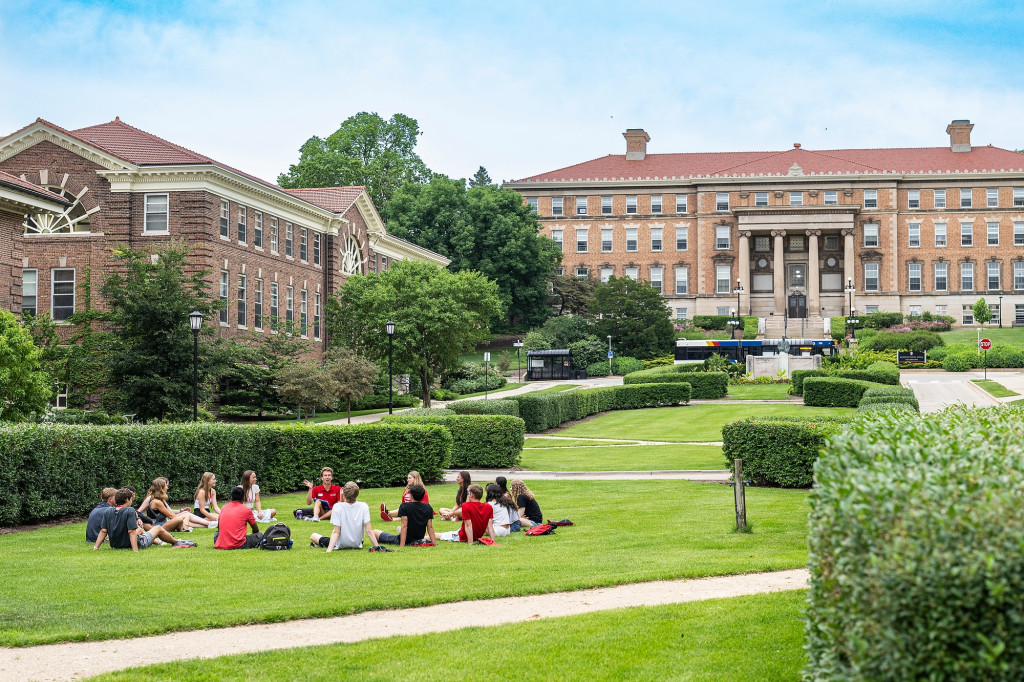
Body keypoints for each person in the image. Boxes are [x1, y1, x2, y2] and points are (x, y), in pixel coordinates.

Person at [93, 488, 180, 551]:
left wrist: (95, 548)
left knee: (140, 529)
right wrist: (135, 550)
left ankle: (159, 542)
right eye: (131, 499)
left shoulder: (108, 511)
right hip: (133, 544)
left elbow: (103, 531)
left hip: (115, 545)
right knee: (158, 528)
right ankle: (176, 542)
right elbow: (131, 531)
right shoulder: (130, 510)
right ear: (127, 499)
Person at [311, 481, 380, 551]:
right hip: (358, 543)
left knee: (313, 536)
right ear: (357, 494)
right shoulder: (363, 506)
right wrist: (377, 546)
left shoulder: (337, 507)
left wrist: (329, 550)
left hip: (340, 544)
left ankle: (318, 544)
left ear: (343, 494)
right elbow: (369, 530)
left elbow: (336, 532)